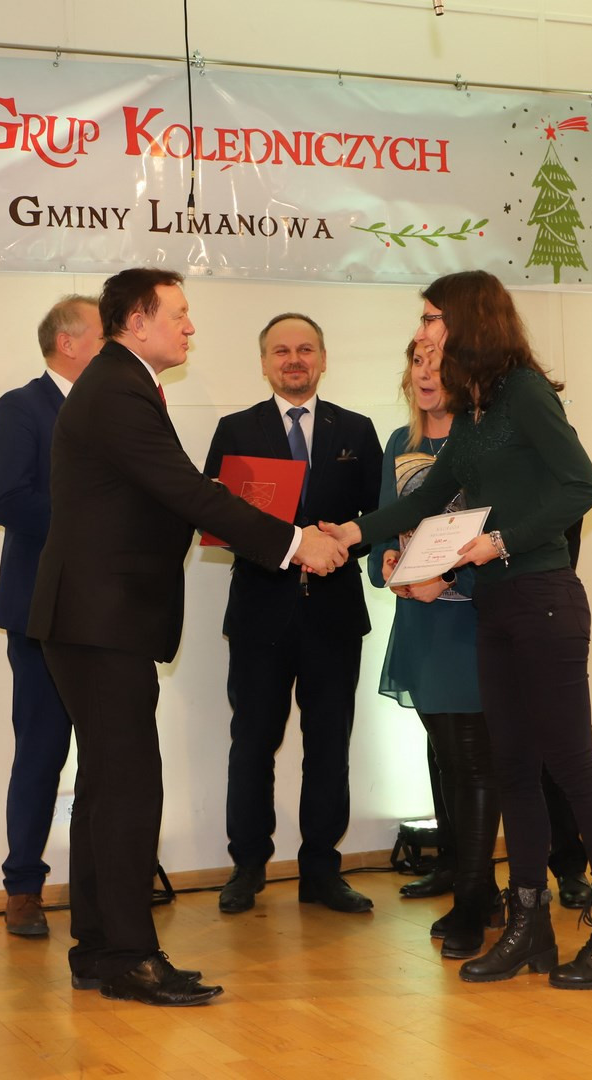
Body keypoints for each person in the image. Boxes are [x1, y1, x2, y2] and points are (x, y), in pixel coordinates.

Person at [325, 270, 592, 990]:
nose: (421, 331)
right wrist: (349, 533)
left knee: (571, 765)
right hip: (498, 608)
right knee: (511, 770)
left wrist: (500, 541)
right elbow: (426, 500)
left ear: (467, 320)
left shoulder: (524, 394)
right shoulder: (473, 411)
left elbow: (583, 486)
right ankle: (529, 923)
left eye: (430, 317)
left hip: (544, 600)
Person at [28, 268, 349, 1007]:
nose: (189, 327)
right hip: (99, 620)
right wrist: (295, 542)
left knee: (107, 788)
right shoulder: (118, 388)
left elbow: (171, 494)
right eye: (177, 313)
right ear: (137, 322)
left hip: (94, 619)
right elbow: (185, 489)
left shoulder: (118, 384)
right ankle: (129, 956)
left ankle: (98, 949)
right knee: (128, 789)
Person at [203, 313, 382, 915]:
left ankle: (322, 871)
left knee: (329, 743)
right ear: (264, 363)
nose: (294, 359)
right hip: (261, 612)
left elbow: (378, 517)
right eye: (281, 351)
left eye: (306, 349)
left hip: (335, 613)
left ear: (323, 359)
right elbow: (213, 516)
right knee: (252, 742)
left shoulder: (356, 429)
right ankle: (247, 866)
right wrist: (285, 545)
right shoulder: (235, 429)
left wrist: (342, 543)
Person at [367, 339, 501, 958]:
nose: (426, 374)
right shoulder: (399, 442)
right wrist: (384, 561)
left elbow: (498, 531)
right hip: (418, 623)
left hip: (467, 620)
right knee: (447, 758)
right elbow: (383, 522)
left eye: (438, 364)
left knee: (472, 764)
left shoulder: (483, 441)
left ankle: (474, 900)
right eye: (417, 362)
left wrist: (447, 577)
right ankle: (475, 886)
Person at [0, 295, 103, 937]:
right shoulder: (21, 407)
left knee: (109, 755)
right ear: (68, 342)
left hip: (108, 614)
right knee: (42, 752)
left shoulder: (116, 408)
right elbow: (6, 500)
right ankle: (23, 889)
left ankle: (101, 883)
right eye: (106, 336)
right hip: (40, 612)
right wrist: (101, 518)